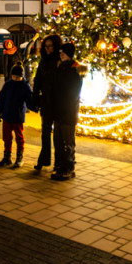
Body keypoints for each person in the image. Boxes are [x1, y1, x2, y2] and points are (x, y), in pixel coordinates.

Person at [51, 42, 83, 181]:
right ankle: (59, 165)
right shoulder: (60, 68)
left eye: (63, 52)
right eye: (60, 52)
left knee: (68, 141)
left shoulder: (75, 71)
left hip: (68, 111)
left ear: (69, 54)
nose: (61, 54)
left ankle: (68, 167)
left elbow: (73, 93)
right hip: (58, 111)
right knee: (58, 140)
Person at [32, 35, 62, 173]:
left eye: (50, 46)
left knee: (57, 135)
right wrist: (35, 96)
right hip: (46, 101)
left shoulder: (59, 61)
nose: (48, 49)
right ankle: (43, 160)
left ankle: (58, 163)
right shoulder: (43, 62)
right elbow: (37, 80)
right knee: (45, 132)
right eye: (46, 46)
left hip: (57, 102)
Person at [0, 64, 33, 168]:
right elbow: (1, 98)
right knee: (6, 137)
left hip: (18, 115)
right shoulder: (8, 85)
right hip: (7, 114)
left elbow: (29, 100)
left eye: (18, 77)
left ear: (22, 76)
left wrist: (35, 107)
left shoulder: (25, 86)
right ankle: (7, 157)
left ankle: (19, 157)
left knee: (19, 137)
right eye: (14, 77)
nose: (16, 79)